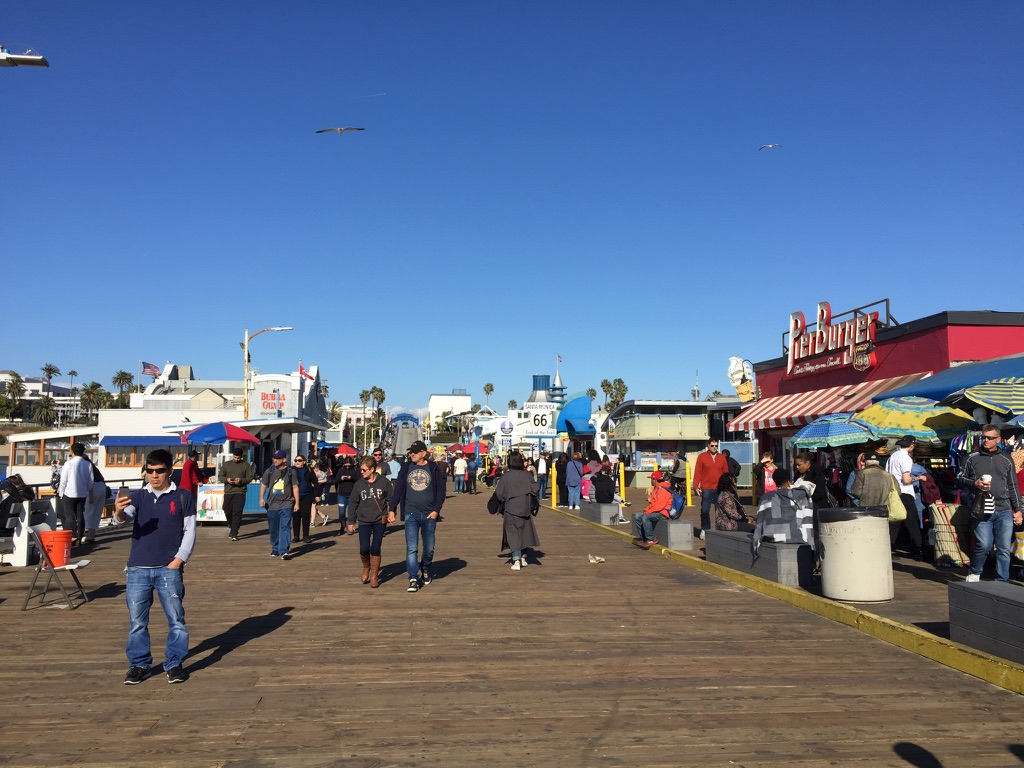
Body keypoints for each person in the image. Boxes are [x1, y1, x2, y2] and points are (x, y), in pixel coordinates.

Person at [113, 449, 196, 685]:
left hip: (169, 568)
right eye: (150, 471)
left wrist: (179, 559)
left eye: (160, 471)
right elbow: (125, 518)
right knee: (137, 622)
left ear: (170, 471)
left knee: (177, 619)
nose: (154, 475)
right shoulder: (138, 497)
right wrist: (119, 511)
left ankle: (174, 663)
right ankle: (139, 665)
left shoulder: (183, 496)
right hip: (138, 568)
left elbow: (190, 531)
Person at [957, 426, 1022, 582]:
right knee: (984, 545)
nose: (986, 440)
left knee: (1004, 548)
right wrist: (975, 483)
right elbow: (959, 477)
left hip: (1004, 509)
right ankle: (975, 571)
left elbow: (1013, 485)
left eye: (990, 438)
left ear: (998, 440)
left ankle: (1002, 581)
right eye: (984, 437)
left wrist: (1018, 510)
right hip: (981, 508)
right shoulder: (971, 457)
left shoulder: (1006, 459)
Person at [389, 440, 447, 592]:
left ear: (424, 453)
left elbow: (441, 492)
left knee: (429, 548)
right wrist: (392, 509)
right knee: (412, 548)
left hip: (429, 514)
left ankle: (426, 568)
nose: (412, 454)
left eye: (415, 451)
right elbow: (398, 489)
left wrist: (436, 510)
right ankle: (413, 577)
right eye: (411, 452)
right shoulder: (406, 467)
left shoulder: (434, 468)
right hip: (411, 513)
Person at [347, 456, 394, 588]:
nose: (361, 472)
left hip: (380, 519)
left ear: (372, 469)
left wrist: (391, 512)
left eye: (364, 470)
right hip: (363, 520)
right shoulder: (359, 484)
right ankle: (366, 567)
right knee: (364, 548)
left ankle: (374, 575)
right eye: (361, 470)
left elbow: (391, 498)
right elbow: (353, 503)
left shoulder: (384, 482)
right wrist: (351, 521)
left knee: (375, 547)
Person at [495, 451, 540, 570]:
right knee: (524, 532)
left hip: (511, 508)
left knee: (513, 533)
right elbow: (535, 488)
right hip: (525, 507)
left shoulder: (505, 477)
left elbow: (499, 494)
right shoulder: (527, 475)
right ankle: (524, 558)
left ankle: (516, 560)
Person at [886, 436, 924, 559]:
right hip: (905, 493)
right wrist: (919, 478)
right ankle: (918, 549)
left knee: (894, 521)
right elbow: (906, 480)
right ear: (912, 445)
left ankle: (889, 547)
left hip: (893, 493)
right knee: (912, 522)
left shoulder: (892, 457)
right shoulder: (906, 458)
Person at [259, 449, 300, 560]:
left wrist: (297, 503)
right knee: (273, 528)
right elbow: (263, 485)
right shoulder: (270, 471)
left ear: (284, 459)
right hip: (272, 505)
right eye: (274, 458)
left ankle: (284, 551)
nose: (275, 460)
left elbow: (295, 487)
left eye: (278, 458)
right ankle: (275, 548)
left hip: (287, 503)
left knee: (285, 526)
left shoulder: (291, 472)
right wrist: (261, 498)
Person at [57, 442, 94, 545]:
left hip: (69, 493)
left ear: (72, 451)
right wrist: (86, 490)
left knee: (69, 516)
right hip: (82, 493)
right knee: (80, 516)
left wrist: (61, 493)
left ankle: (70, 537)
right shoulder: (88, 464)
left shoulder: (68, 463)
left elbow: (63, 480)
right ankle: (80, 536)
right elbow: (91, 481)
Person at [692, 439, 730, 540]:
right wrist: (696, 486)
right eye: (712, 445)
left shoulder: (722, 458)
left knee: (720, 511)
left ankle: (719, 530)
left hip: (719, 489)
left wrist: (727, 487)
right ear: (708, 446)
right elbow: (697, 472)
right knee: (704, 510)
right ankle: (705, 530)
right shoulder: (702, 457)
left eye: (716, 446)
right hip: (706, 488)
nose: (714, 447)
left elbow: (726, 473)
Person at [631, 470, 673, 548]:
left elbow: (660, 505)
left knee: (646, 518)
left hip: (663, 513)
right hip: (657, 511)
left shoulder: (663, 489)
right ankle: (644, 539)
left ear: (655, 480)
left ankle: (651, 539)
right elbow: (653, 503)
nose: (650, 481)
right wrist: (646, 510)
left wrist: (648, 512)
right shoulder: (657, 488)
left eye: (651, 479)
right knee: (637, 516)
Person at [219, 446, 253, 541]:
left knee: (237, 512)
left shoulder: (246, 465)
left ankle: (234, 532)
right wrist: (227, 480)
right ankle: (231, 525)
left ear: (241, 457)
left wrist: (241, 480)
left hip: (240, 492)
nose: (236, 459)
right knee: (227, 509)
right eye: (234, 457)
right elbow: (220, 476)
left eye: (238, 458)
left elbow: (249, 478)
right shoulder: (226, 465)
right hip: (228, 491)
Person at [291, 455, 320, 545]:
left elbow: (315, 482)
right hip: (295, 496)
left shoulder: (309, 470)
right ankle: (296, 536)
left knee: (306, 515)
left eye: (299, 460)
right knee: (296, 516)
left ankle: (306, 536)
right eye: (296, 460)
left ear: (304, 461)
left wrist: (317, 495)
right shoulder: (291, 470)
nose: (297, 462)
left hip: (306, 495)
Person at [82, 455, 107, 544]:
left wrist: (91, 495)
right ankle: (92, 534)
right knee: (97, 512)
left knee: (88, 512)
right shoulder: (93, 467)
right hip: (102, 487)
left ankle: (89, 535)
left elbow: (90, 481)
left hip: (94, 488)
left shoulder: (86, 467)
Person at [333, 456, 359, 535]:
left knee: (351, 512)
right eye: (346, 465)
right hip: (342, 495)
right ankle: (342, 525)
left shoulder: (355, 469)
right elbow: (336, 480)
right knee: (341, 513)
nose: (347, 467)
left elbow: (359, 479)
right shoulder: (341, 469)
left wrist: (351, 478)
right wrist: (341, 478)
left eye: (349, 465)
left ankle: (350, 527)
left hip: (352, 494)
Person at [312, 459, 332, 526]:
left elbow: (325, 480)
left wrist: (316, 482)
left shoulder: (321, 472)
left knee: (313, 505)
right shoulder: (311, 471)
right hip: (311, 489)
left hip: (317, 490)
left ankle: (312, 522)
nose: (312, 463)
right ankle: (323, 516)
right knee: (311, 506)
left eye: (313, 462)